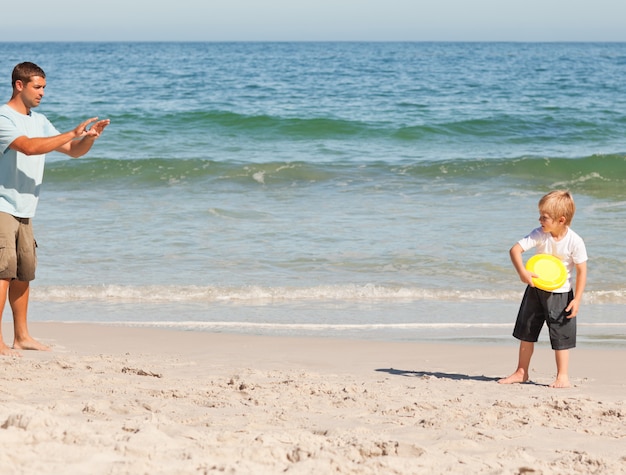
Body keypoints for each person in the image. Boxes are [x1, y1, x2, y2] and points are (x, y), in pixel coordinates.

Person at [0, 62, 109, 356]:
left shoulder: (40, 120)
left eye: (44, 87)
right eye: (38, 87)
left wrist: (87, 138)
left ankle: (22, 337)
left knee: (23, 273)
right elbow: (30, 147)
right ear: (19, 85)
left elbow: (73, 151)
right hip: (2, 206)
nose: (42, 93)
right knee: (2, 273)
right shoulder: (3, 117)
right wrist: (72, 131)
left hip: (26, 208)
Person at [498, 190, 587, 388]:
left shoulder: (575, 241)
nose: (539, 219)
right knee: (526, 331)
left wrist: (577, 299)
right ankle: (522, 372)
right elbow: (515, 250)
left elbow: (582, 271)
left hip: (561, 294)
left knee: (561, 335)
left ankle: (562, 376)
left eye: (544, 217)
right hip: (535, 289)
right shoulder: (540, 234)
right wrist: (523, 272)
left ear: (561, 220)